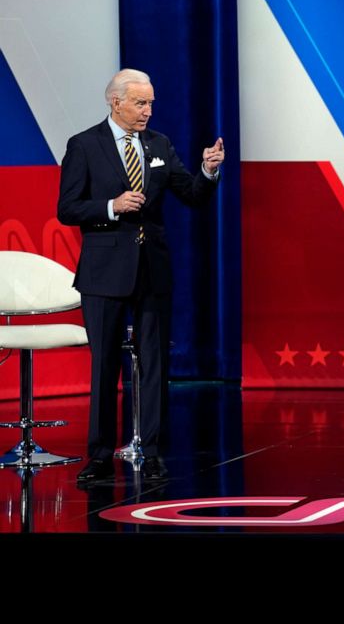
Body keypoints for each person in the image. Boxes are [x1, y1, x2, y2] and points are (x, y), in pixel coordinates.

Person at [57, 68, 224, 483]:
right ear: (116, 102)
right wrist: (111, 206)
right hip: (104, 271)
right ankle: (98, 455)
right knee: (105, 366)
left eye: (151, 102)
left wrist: (207, 171)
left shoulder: (159, 144)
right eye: (140, 103)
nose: (148, 110)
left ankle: (150, 451)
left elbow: (190, 195)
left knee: (154, 363)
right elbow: (68, 208)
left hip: (152, 268)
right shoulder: (84, 145)